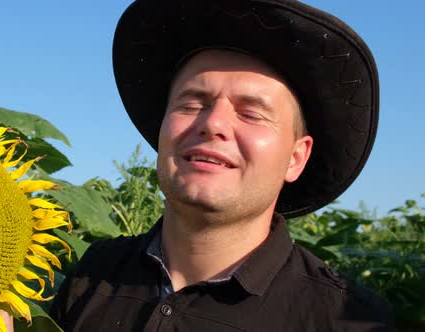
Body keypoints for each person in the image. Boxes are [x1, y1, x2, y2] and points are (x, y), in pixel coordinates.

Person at [50, 0, 394, 331]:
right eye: (191, 103)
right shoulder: (93, 273)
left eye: (250, 113)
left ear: (295, 158)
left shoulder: (342, 319)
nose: (213, 123)